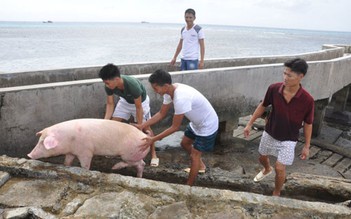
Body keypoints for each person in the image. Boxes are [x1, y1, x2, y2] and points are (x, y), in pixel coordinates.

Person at [244, 58, 314, 196]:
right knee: (262, 157)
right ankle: (266, 169)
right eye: (284, 73)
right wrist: (249, 123)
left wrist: (307, 145)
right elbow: (263, 105)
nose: (285, 78)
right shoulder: (274, 89)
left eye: (289, 75)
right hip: (270, 132)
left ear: (301, 77)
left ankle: (276, 193)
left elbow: (308, 123)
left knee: (280, 168)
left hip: (289, 139)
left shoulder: (308, 100)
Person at [137, 69, 218, 186]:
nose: (155, 91)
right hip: (196, 123)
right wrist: (142, 125)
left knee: (195, 155)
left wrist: (153, 139)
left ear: (165, 85)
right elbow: (161, 113)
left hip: (207, 125)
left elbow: (174, 127)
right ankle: (201, 166)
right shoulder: (169, 92)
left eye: (155, 88)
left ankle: (188, 186)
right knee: (184, 144)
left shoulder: (181, 97)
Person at [98, 63, 159, 167]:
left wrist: (139, 127)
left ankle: (154, 155)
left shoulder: (132, 85)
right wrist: (105, 122)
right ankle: (114, 149)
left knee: (146, 128)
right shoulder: (108, 86)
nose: (106, 85)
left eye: (108, 83)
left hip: (141, 103)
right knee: (111, 125)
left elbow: (138, 107)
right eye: (105, 83)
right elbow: (110, 103)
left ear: (116, 79)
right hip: (125, 102)